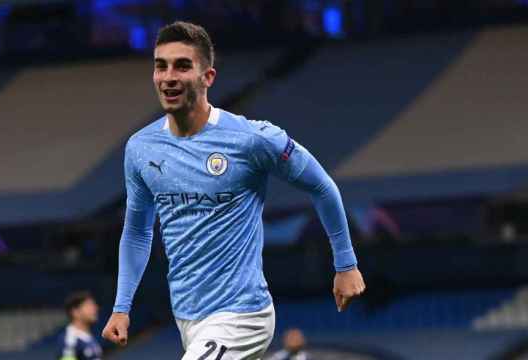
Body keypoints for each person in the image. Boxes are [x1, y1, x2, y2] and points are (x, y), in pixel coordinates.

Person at [102, 21, 366, 359]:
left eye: (182, 66)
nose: (168, 76)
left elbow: (321, 186)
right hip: (188, 316)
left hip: (244, 315)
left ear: (208, 77)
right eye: (160, 65)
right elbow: (138, 230)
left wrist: (346, 264)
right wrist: (122, 307)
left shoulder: (251, 139)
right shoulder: (141, 148)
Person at [58, 291, 103, 360]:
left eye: (94, 305)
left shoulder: (88, 337)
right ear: (75, 312)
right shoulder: (70, 338)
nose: (95, 309)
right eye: (89, 305)